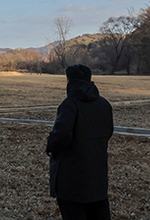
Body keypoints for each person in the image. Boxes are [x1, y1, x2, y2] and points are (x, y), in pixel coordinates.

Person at [45, 64, 114, 220]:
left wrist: (50, 145)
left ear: (69, 81)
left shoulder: (69, 105)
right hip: (98, 175)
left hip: (71, 180)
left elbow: (61, 135)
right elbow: (108, 132)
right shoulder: (104, 104)